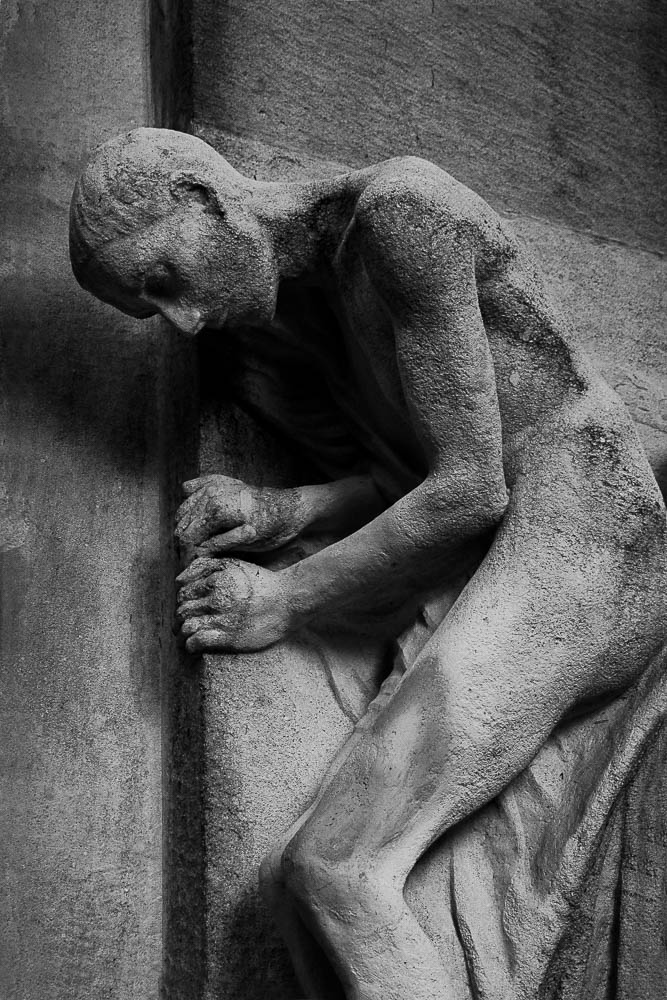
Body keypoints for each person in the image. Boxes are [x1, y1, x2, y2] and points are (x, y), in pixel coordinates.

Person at [70, 128, 666, 1000]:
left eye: (164, 281)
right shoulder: (281, 334)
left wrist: (286, 597)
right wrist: (288, 509)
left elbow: (470, 489)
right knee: (293, 880)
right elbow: (410, 478)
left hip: (587, 528)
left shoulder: (399, 217)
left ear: (205, 197)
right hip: (517, 547)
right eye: (150, 311)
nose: (184, 321)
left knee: (338, 869)